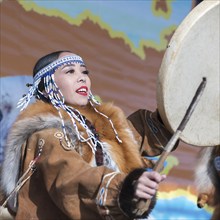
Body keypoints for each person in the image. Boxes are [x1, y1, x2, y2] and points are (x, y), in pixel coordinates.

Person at [0, 50, 175, 220]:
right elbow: (70, 177)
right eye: (70, 71)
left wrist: (171, 116)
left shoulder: (104, 124)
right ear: (46, 87)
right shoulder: (46, 133)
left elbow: (135, 136)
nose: (82, 77)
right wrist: (124, 188)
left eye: (85, 72)